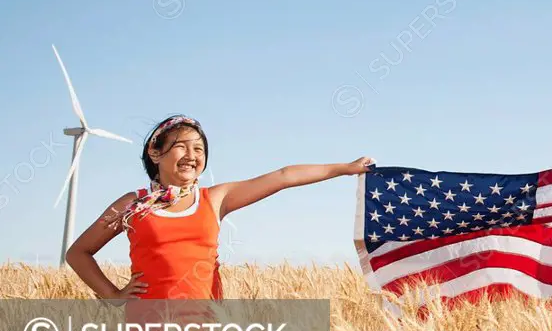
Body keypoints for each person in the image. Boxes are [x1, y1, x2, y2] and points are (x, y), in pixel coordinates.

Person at [66, 114, 373, 303]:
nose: (192, 154)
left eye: (198, 148)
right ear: (155, 152)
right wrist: (114, 295)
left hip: (204, 330)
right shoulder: (132, 204)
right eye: (181, 146)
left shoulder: (214, 199)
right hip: (147, 329)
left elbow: (283, 177)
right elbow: (78, 253)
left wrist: (345, 168)